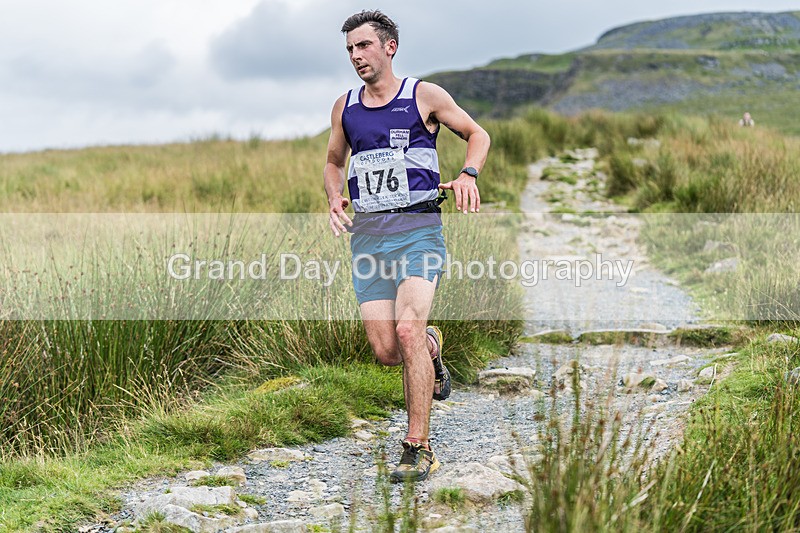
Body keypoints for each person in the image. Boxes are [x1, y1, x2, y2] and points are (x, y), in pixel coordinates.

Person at [323, 10, 490, 482]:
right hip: (370, 239)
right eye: (350, 49)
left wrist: (468, 173)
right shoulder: (345, 107)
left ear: (389, 46)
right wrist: (335, 195)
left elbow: (478, 135)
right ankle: (434, 349)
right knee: (388, 349)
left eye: (364, 46)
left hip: (420, 231)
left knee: (408, 329)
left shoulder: (424, 96)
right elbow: (334, 162)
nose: (356, 56)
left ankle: (418, 447)